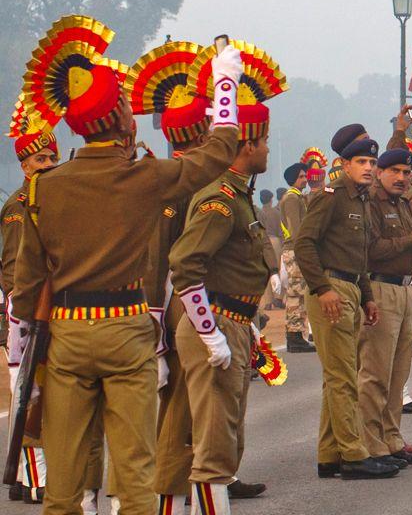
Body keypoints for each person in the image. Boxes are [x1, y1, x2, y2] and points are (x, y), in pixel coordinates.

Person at [9, 17, 244, 514]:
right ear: (122, 120)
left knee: (65, 485)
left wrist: (23, 360)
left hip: (67, 337)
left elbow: (27, 291)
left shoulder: (40, 189)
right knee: (135, 475)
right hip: (127, 329)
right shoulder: (145, 178)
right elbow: (221, 150)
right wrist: (225, 84)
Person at [168, 88, 277, 513]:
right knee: (213, 447)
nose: (267, 148)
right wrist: (208, 330)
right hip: (215, 323)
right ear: (248, 145)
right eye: (264, 140)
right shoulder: (220, 198)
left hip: (233, 320)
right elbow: (184, 263)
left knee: (225, 439)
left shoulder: (237, 192)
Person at [294, 129, 398, 481]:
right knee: (343, 379)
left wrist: (367, 296)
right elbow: (304, 244)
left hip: (352, 286)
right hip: (332, 289)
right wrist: (322, 289)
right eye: (362, 162)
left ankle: (330, 454)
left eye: (372, 161)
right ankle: (353, 454)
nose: (369, 168)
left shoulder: (363, 199)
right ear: (343, 164)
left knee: (338, 377)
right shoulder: (331, 196)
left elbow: (360, 254)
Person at [357, 148, 412, 466]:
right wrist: (411, 240)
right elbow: (372, 249)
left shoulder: (402, 205)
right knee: (375, 371)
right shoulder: (371, 204)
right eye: (395, 171)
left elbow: (407, 248)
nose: (402, 178)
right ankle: (370, 443)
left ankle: (391, 437)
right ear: (380, 172)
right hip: (380, 287)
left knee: (399, 369)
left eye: (407, 172)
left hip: (404, 289)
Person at [2, 116, 59, 504]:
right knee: (30, 399)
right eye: (41, 159)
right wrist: (26, 317)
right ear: (25, 167)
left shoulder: (53, 198)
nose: (50, 164)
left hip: (51, 313)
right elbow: (11, 271)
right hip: (26, 318)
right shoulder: (18, 207)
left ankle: (26, 476)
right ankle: (35, 477)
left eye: (53, 157)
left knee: (47, 398)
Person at [278, 161, 315, 352]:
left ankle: (297, 335)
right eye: (301, 176)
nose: (305, 179)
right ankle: (294, 336)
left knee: (300, 293)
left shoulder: (299, 197)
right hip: (295, 249)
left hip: (297, 249)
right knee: (296, 294)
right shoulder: (291, 198)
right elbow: (296, 228)